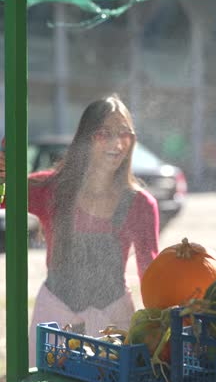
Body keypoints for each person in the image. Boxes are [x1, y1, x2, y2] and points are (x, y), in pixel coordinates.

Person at [0, 94, 160, 366]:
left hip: (113, 323)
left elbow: (152, 275)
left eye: (125, 134)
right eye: (104, 134)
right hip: (53, 321)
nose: (117, 143)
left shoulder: (140, 204)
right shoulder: (52, 189)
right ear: (85, 139)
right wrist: (3, 173)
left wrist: (162, 326)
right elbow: (5, 196)